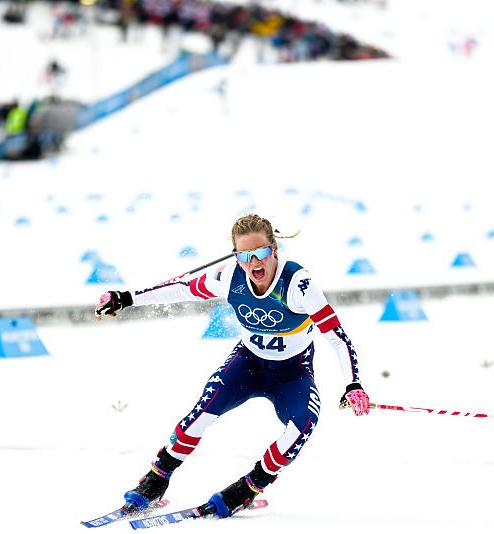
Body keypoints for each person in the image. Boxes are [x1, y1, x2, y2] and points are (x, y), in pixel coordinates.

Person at [94, 213, 370, 517]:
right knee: (200, 415)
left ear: (274, 250)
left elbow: (337, 337)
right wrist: (126, 297)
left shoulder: (298, 284)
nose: (254, 264)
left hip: (292, 373)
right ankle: (155, 481)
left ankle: (247, 489)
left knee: (303, 424)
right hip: (249, 364)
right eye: (245, 256)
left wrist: (353, 383)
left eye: (261, 253)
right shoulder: (230, 277)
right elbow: (183, 287)